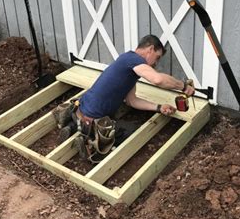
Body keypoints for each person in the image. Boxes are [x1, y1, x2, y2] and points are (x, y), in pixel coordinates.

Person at [54, 34, 195, 162]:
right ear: (150, 49)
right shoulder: (135, 60)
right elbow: (157, 79)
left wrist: (159, 107)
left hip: (83, 105)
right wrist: (183, 86)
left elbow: (131, 100)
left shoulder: (127, 60)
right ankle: (92, 142)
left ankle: (74, 125)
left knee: (108, 114)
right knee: (132, 133)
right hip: (95, 114)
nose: (155, 63)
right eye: (157, 58)